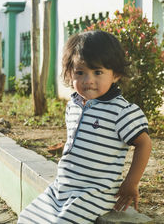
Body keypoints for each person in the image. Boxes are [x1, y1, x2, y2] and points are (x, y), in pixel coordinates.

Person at [17, 30, 152, 224]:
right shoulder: (73, 105)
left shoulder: (121, 111)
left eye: (97, 72)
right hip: (62, 187)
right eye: (80, 73)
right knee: (27, 218)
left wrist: (131, 182)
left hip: (94, 194)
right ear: (70, 73)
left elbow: (144, 144)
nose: (88, 80)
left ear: (116, 75)